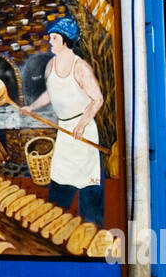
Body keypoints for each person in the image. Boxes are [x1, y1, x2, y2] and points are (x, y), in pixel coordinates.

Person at [22, 17, 105, 223]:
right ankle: (58, 226)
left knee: (87, 183)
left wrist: (82, 124)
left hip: (82, 131)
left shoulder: (80, 67)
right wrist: (31, 107)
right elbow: (50, 94)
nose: (50, 41)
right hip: (65, 131)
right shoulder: (51, 65)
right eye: (50, 37)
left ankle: (92, 228)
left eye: (54, 37)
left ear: (66, 40)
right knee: (60, 180)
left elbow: (97, 99)